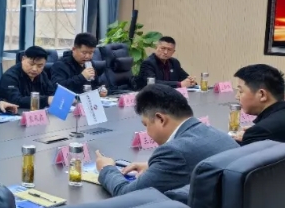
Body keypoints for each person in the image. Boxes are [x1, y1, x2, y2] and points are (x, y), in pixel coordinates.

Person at [94, 84, 238, 196]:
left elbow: (127, 195)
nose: (147, 132)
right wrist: (156, 167)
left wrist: (107, 169)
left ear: (160, 119)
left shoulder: (173, 153)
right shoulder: (217, 134)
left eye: (146, 125)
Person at [233, 64, 285, 145]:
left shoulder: (262, 131)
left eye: (240, 91)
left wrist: (250, 135)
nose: (236, 97)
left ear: (262, 95)